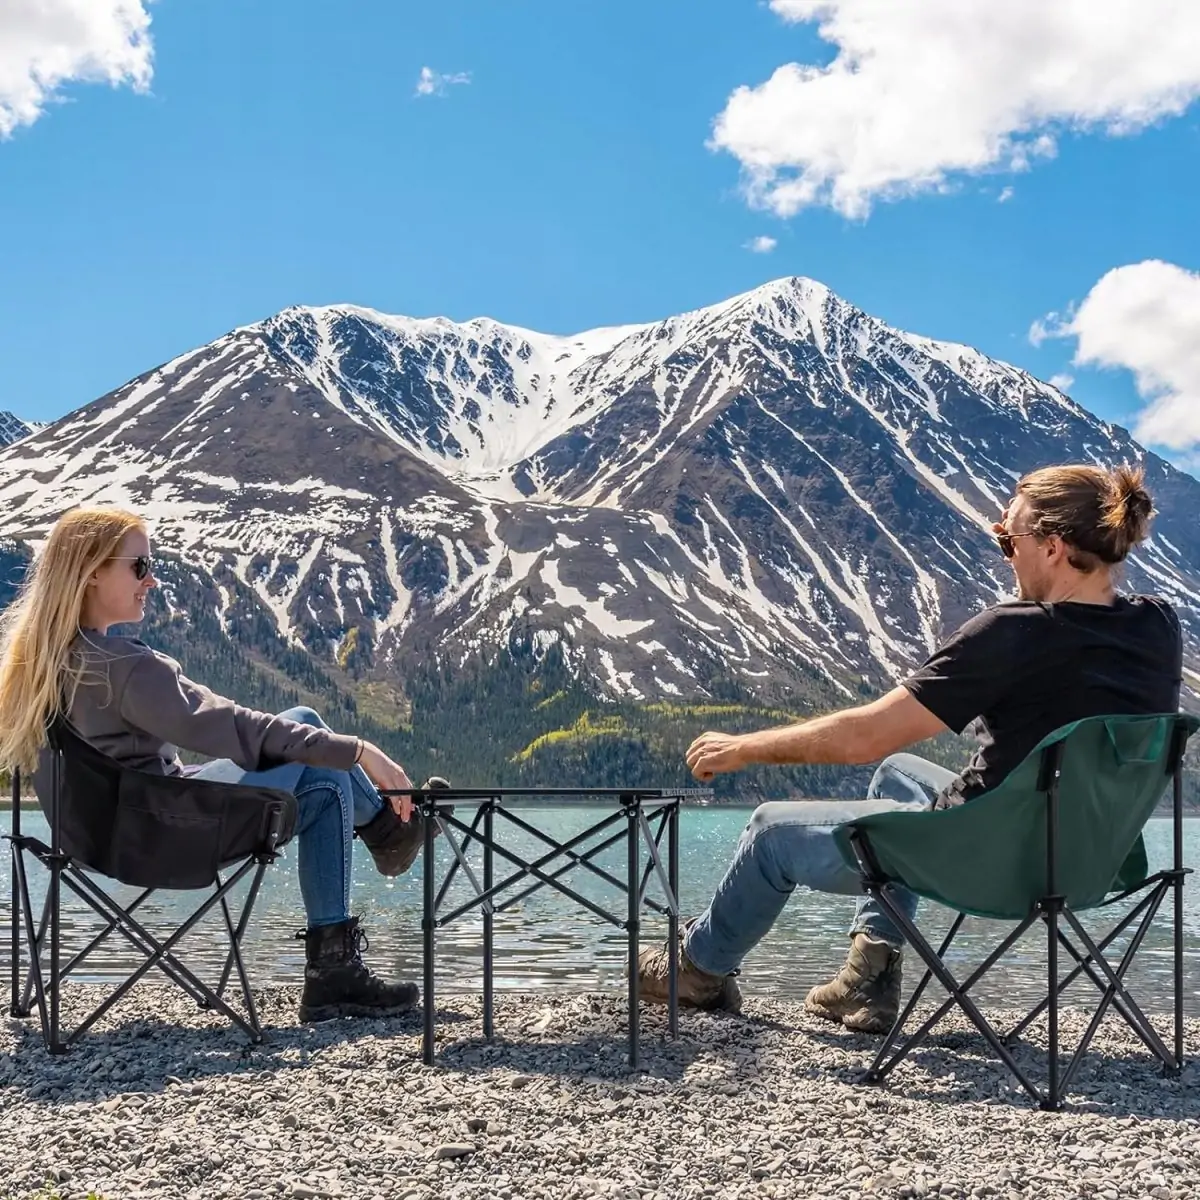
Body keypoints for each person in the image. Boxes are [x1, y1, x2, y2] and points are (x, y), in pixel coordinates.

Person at [637, 463, 1183, 1031]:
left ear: (1050, 546)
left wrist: (745, 748)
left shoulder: (1014, 633)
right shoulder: (1158, 628)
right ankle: (867, 975)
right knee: (900, 774)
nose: (1006, 553)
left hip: (988, 862)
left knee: (770, 831)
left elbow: (863, 737)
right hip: (1091, 859)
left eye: (1007, 539)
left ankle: (696, 970)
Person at [0, 506, 437, 1024]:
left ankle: (382, 849)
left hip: (93, 840)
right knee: (324, 769)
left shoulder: (45, 664)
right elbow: (233, 727)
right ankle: (362, 900)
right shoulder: (125, 669)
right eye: (139, 566)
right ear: (92, 571)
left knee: (312, 747)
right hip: (163, 836)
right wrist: (360, 749)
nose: (152, 579)